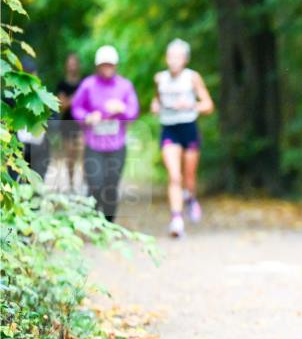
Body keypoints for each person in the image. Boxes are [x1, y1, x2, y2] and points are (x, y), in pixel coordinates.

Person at [151, 39, 214, 238]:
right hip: (169, 129)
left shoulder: (192, 78)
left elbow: (208, 105)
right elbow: (157, 100)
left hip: (189, 128)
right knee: (174, 176)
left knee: (188, 178)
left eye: (178, 57)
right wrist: (155, 105)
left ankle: (190, 198)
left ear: (185, 60)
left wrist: (190, 105)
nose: (173, 61)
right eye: (171, 57)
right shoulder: (160, 78)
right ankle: (176, 219)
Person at [71, 45, 140, 222]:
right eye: (104, 65)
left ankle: (109, 224)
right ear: (97, 66)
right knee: (95, 184)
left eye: (110, 64)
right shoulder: (88, 85)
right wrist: (87, 117)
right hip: (94, 145)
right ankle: (94, 219)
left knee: (111, 186)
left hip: (117, 146)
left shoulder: (125, 86)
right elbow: (76, 108)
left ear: (115, 65)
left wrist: (122, 109)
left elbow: (134, 112)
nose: (107, 68)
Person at [53, 52, 84, 192]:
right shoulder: (62, 84)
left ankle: (84, 185)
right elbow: (62, 105)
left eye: (74, 64)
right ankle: (72, 185)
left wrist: (70, 100)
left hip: (82, 125)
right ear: (66, 66)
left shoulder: (84, 83)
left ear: (78, 66)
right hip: (67, 124)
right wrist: (76, 97)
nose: (72, 67)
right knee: (70, 158)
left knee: (84, 156)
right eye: (69, 64)